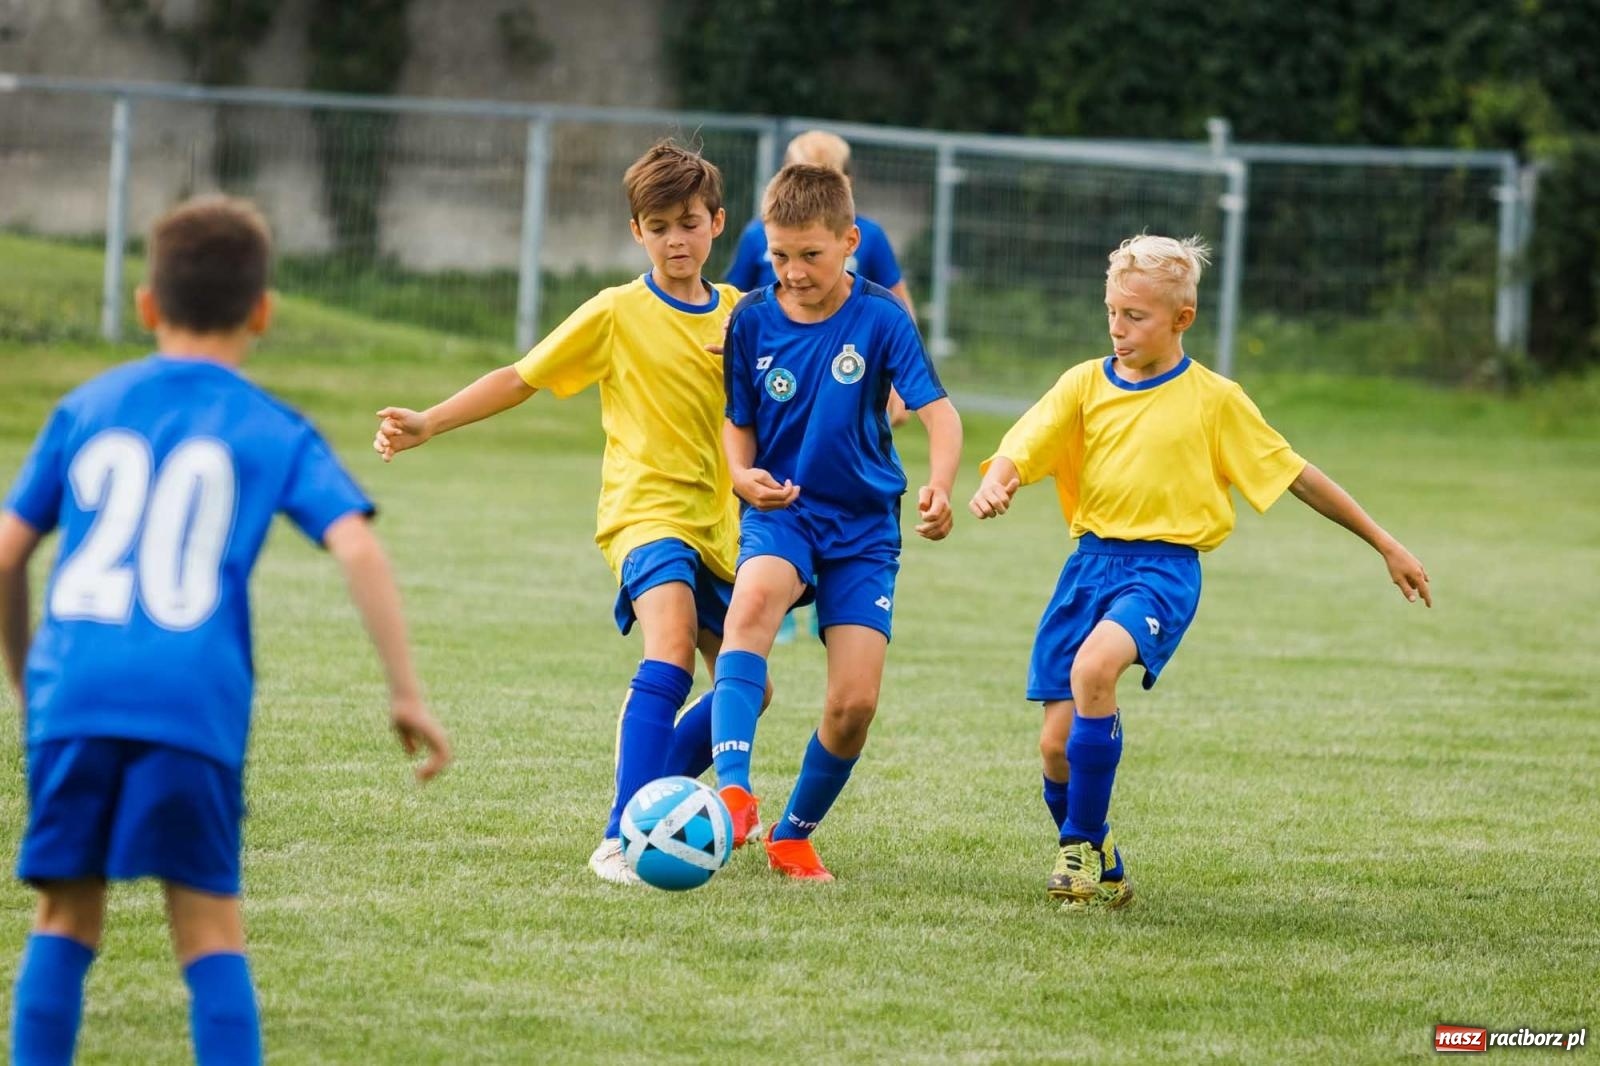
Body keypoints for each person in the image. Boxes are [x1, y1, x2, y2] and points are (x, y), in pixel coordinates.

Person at [0, 195, 451, 1064]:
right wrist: (405, 694)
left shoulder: (88, 405)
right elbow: (356, 547)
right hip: (190, 704)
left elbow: (7, 553)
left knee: (63, 917)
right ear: (263, 312)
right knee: (208, 931)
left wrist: (28, 677)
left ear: (145, 305)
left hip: (75, 697)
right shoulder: (271, 425)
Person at [968, 234, 1431, 912]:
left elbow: (1296, 475)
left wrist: (1384, 541)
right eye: (1112, 312)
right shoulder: (1083, 384)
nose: (1119, 329)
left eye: (1136, 317)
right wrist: (1000, 482)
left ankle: (1073, 849)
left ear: (1182, 319)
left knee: (1095, 669)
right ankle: (1103, 854)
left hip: (1162, 570)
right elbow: (1026, 441)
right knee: (1055, 747)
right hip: (1089, 566)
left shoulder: (1215, 400)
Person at [372, 140, 768, 886]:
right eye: (659, 226)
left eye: (689, 222)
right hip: (645, 515)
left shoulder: (746, 317)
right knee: (671, 648)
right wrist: (430, 420)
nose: (675, 240)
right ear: (637, 234)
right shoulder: (617, 313)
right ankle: (623, 834)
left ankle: (667, 801)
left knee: (752, 689)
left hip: (725, 529)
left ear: (718, 223)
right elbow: (521, 378)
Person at [711, 163, 963, 881]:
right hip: (782, 511)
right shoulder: (752, 319)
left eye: (810, 256)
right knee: (754, 602)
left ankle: (792, 833)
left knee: (854, 704)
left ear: (850, 241)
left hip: (862, 529)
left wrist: (940, 485)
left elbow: (940, 416)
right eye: (779, 256)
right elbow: (739, 421)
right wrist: (738, 474)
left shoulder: (883, 319)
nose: (792, 272)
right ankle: (732, 795)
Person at [731, 130, 916, 643]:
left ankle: (832, 598)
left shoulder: (871, 238)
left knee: (838, 468)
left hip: (847, 390)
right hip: (778, 390)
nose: (794, 272)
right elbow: (736, 300)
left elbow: (898, 306)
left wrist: (902, 384)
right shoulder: (756, 237)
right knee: (773, 515)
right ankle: (782, 603)